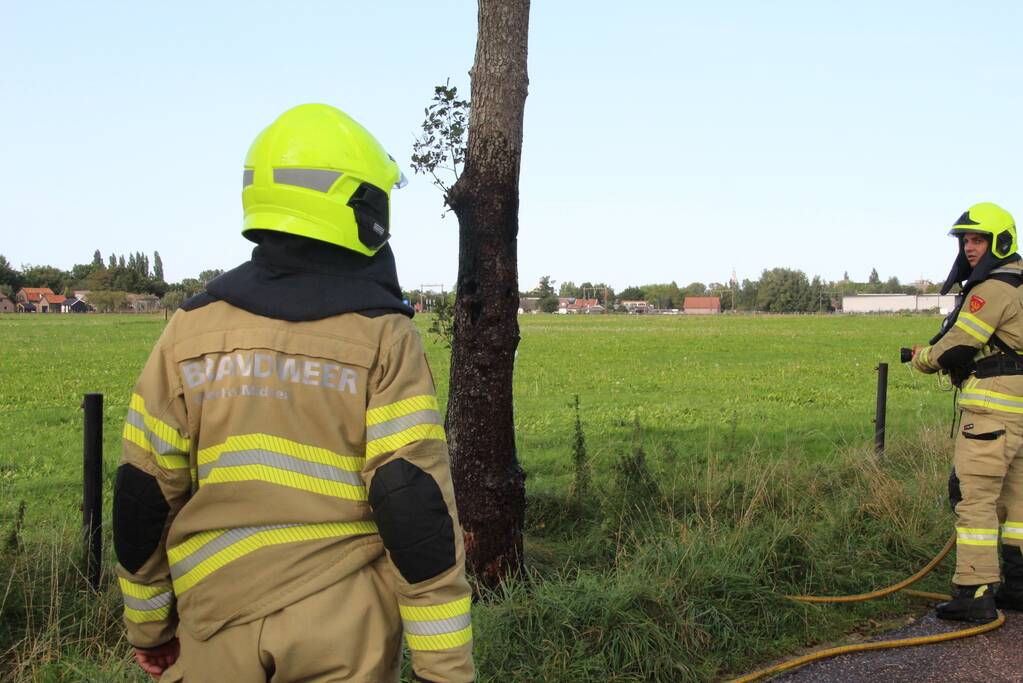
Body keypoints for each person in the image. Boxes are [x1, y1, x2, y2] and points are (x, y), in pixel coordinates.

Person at [113, 103, 475, 681]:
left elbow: (142, 494)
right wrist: (445, 669)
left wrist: (149, 627)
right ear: (359, 205)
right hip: (341, 624)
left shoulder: (190, 329)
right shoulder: (383, 334)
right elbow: (413, 505)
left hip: (213, 619)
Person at [911, 201, 1023, 623]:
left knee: (975, 502)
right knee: (1019, 503)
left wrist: (923, 358)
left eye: (979, 239)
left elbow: (958, 344)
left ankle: (974, 594)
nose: (970, 248)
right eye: (966, 240)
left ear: (1001, 241)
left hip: (991, 411)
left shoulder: (991, 289)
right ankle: (1018, 587)